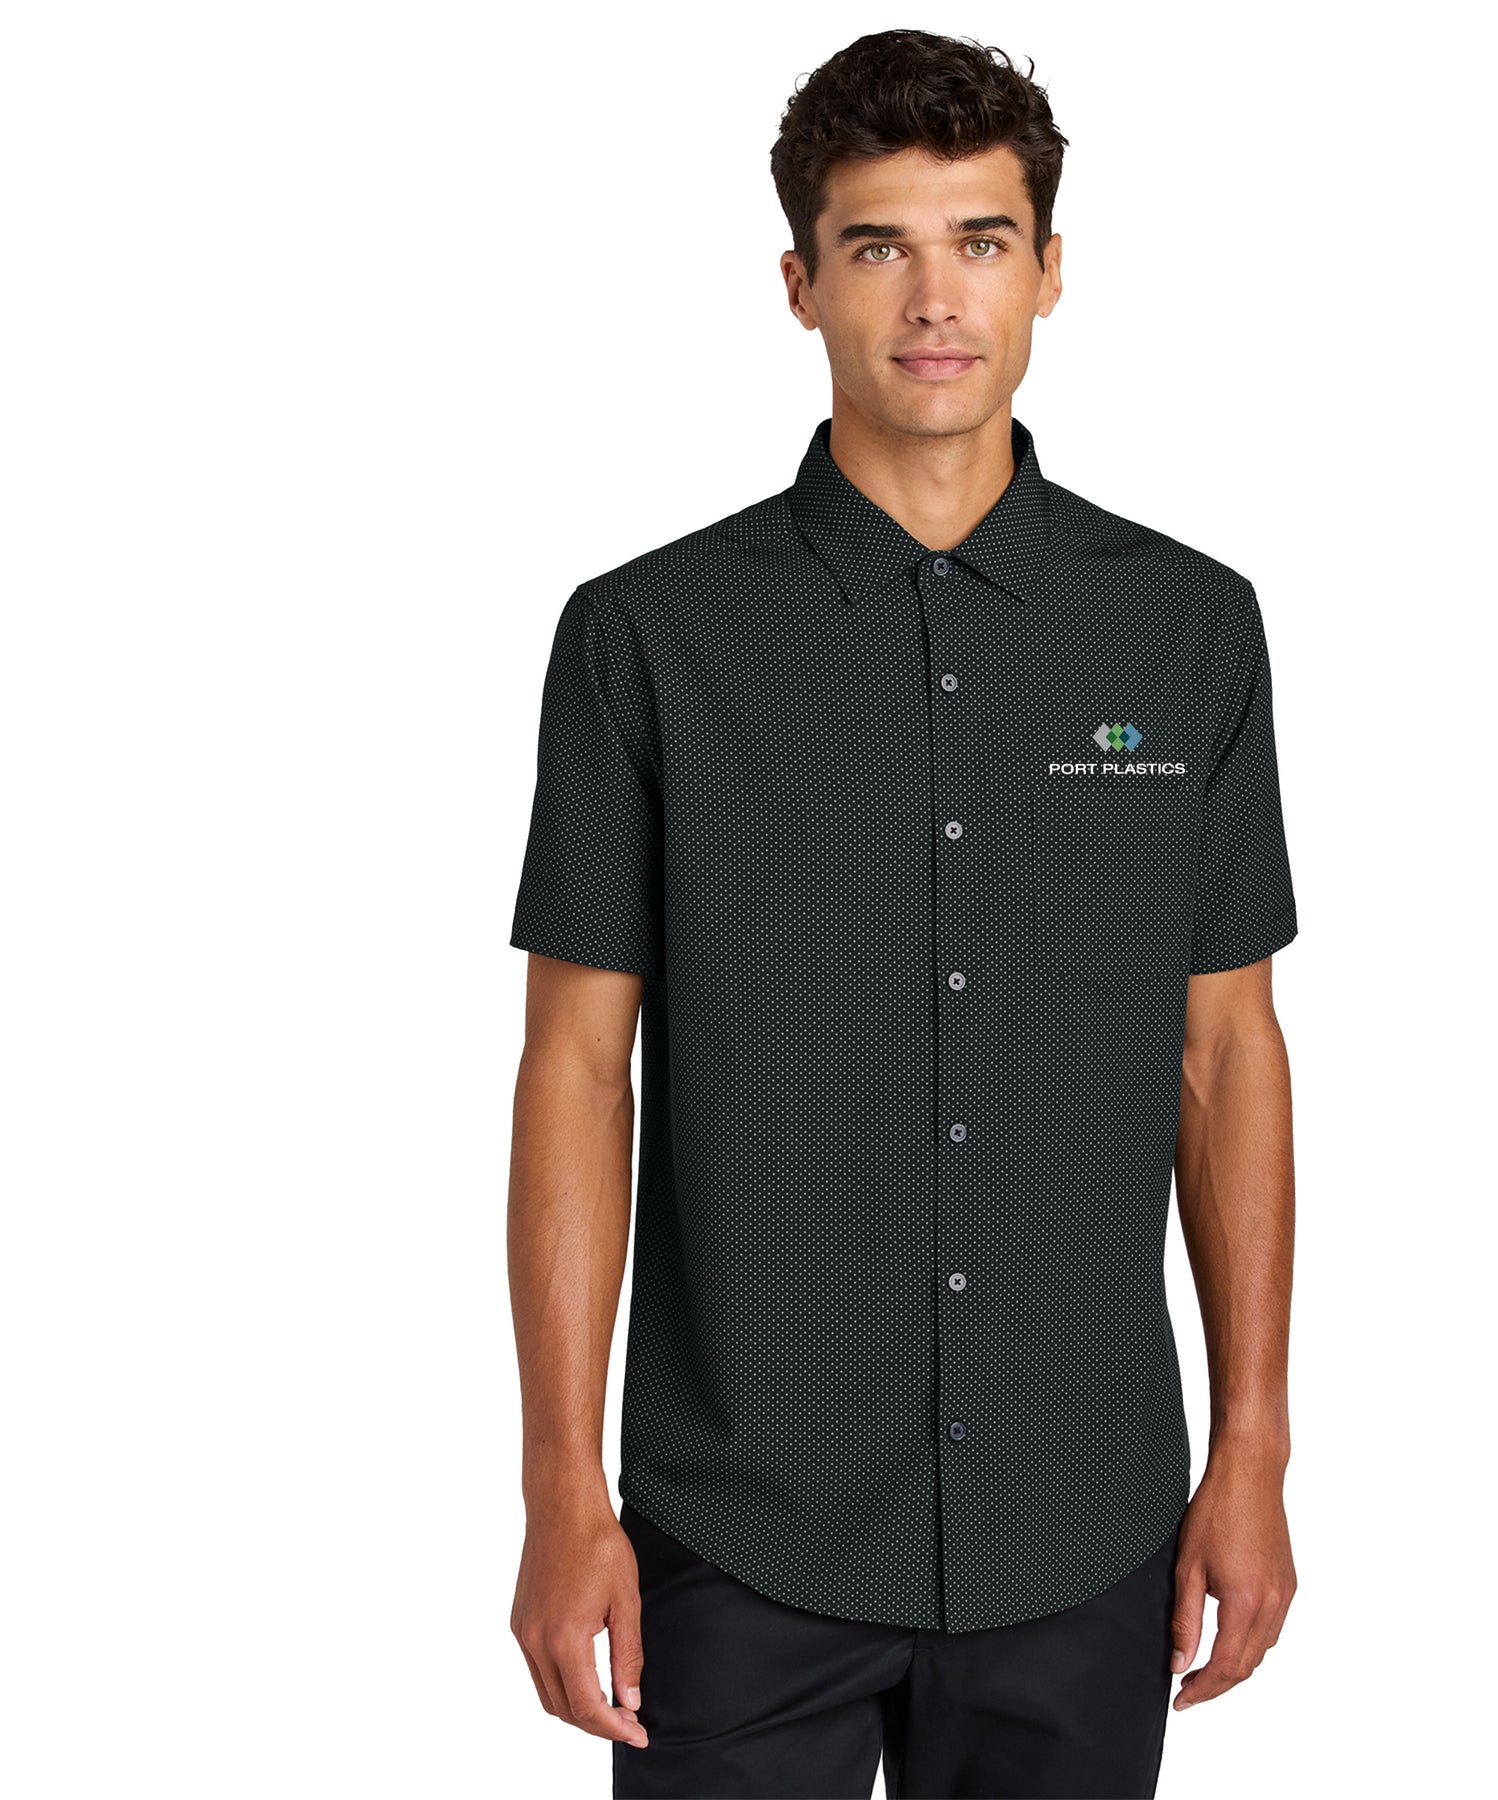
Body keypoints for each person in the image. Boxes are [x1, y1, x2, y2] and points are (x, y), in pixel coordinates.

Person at [505, 28, 1300, 1799]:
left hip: (1081, 1523)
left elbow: (1226, 1053)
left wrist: (1252, 1446)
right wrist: (561, 1486)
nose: (936, 300)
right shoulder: (644, 640)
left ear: (1051, 269)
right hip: (737, 1531)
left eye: (981, 242)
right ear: (799, 283)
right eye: (878, 247)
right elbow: (573, 1068)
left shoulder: (1187, 630)